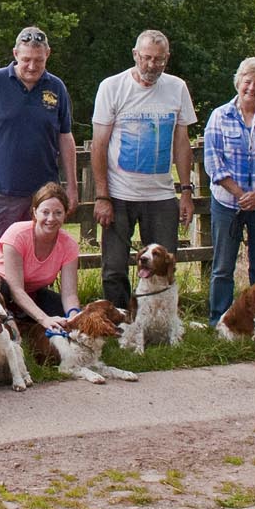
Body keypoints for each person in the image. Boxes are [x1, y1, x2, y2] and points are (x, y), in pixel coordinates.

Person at [91, 30, 198, 310]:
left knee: (164, 265)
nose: (152, 65)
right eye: (147, 58)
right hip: (119, 194)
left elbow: (182, 143)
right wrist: (102, 196)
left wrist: (186, 191)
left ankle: (159, 322)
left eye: (159, 60)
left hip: (161, 196)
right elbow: (99, 144)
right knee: (114, 267)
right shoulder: (112, 87)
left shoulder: (177, 88)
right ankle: (119, 321)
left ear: (167, 58)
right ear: (135, 55)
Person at [0, 26, 78, 261]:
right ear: (15, 54)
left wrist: (72, 187)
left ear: (48, 55)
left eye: (39, 60)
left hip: (43, 196)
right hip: (0, 190)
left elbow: (65, 137)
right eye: (26, 60)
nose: (32, 66)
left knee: (37, 259)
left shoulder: (56, 88)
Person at [202, 57, 255, 327]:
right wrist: (241, 194)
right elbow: (213, 162)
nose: (252, 88)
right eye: (247, 81)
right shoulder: (219, 116)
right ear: (238, 82)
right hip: (228, 203)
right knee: (223, 266)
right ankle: (219, 321)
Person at [0, 182, 83, 330]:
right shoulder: (17, 234)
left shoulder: (69, 245)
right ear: (35, 212)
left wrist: (73, 316)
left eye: (58, 213)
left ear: (65, 214)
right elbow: (16, 289)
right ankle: (11, 322)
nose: (51, 218)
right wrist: (44, 319)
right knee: (4, 291)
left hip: (30, 291)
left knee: (60, 310)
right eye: (45, 212)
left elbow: (69, 294)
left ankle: (22, 319)